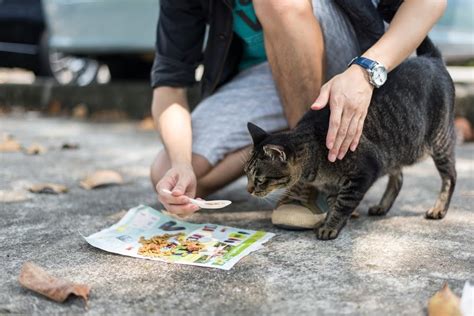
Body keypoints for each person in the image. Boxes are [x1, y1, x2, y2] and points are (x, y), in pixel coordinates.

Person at [149, 0, 447, 229]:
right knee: (169, 175)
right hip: (273, 74)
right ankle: (291, 141)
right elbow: (169, 89)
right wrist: (180, 163)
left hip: (363, 58)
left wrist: (366, 72)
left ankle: (310, 178)